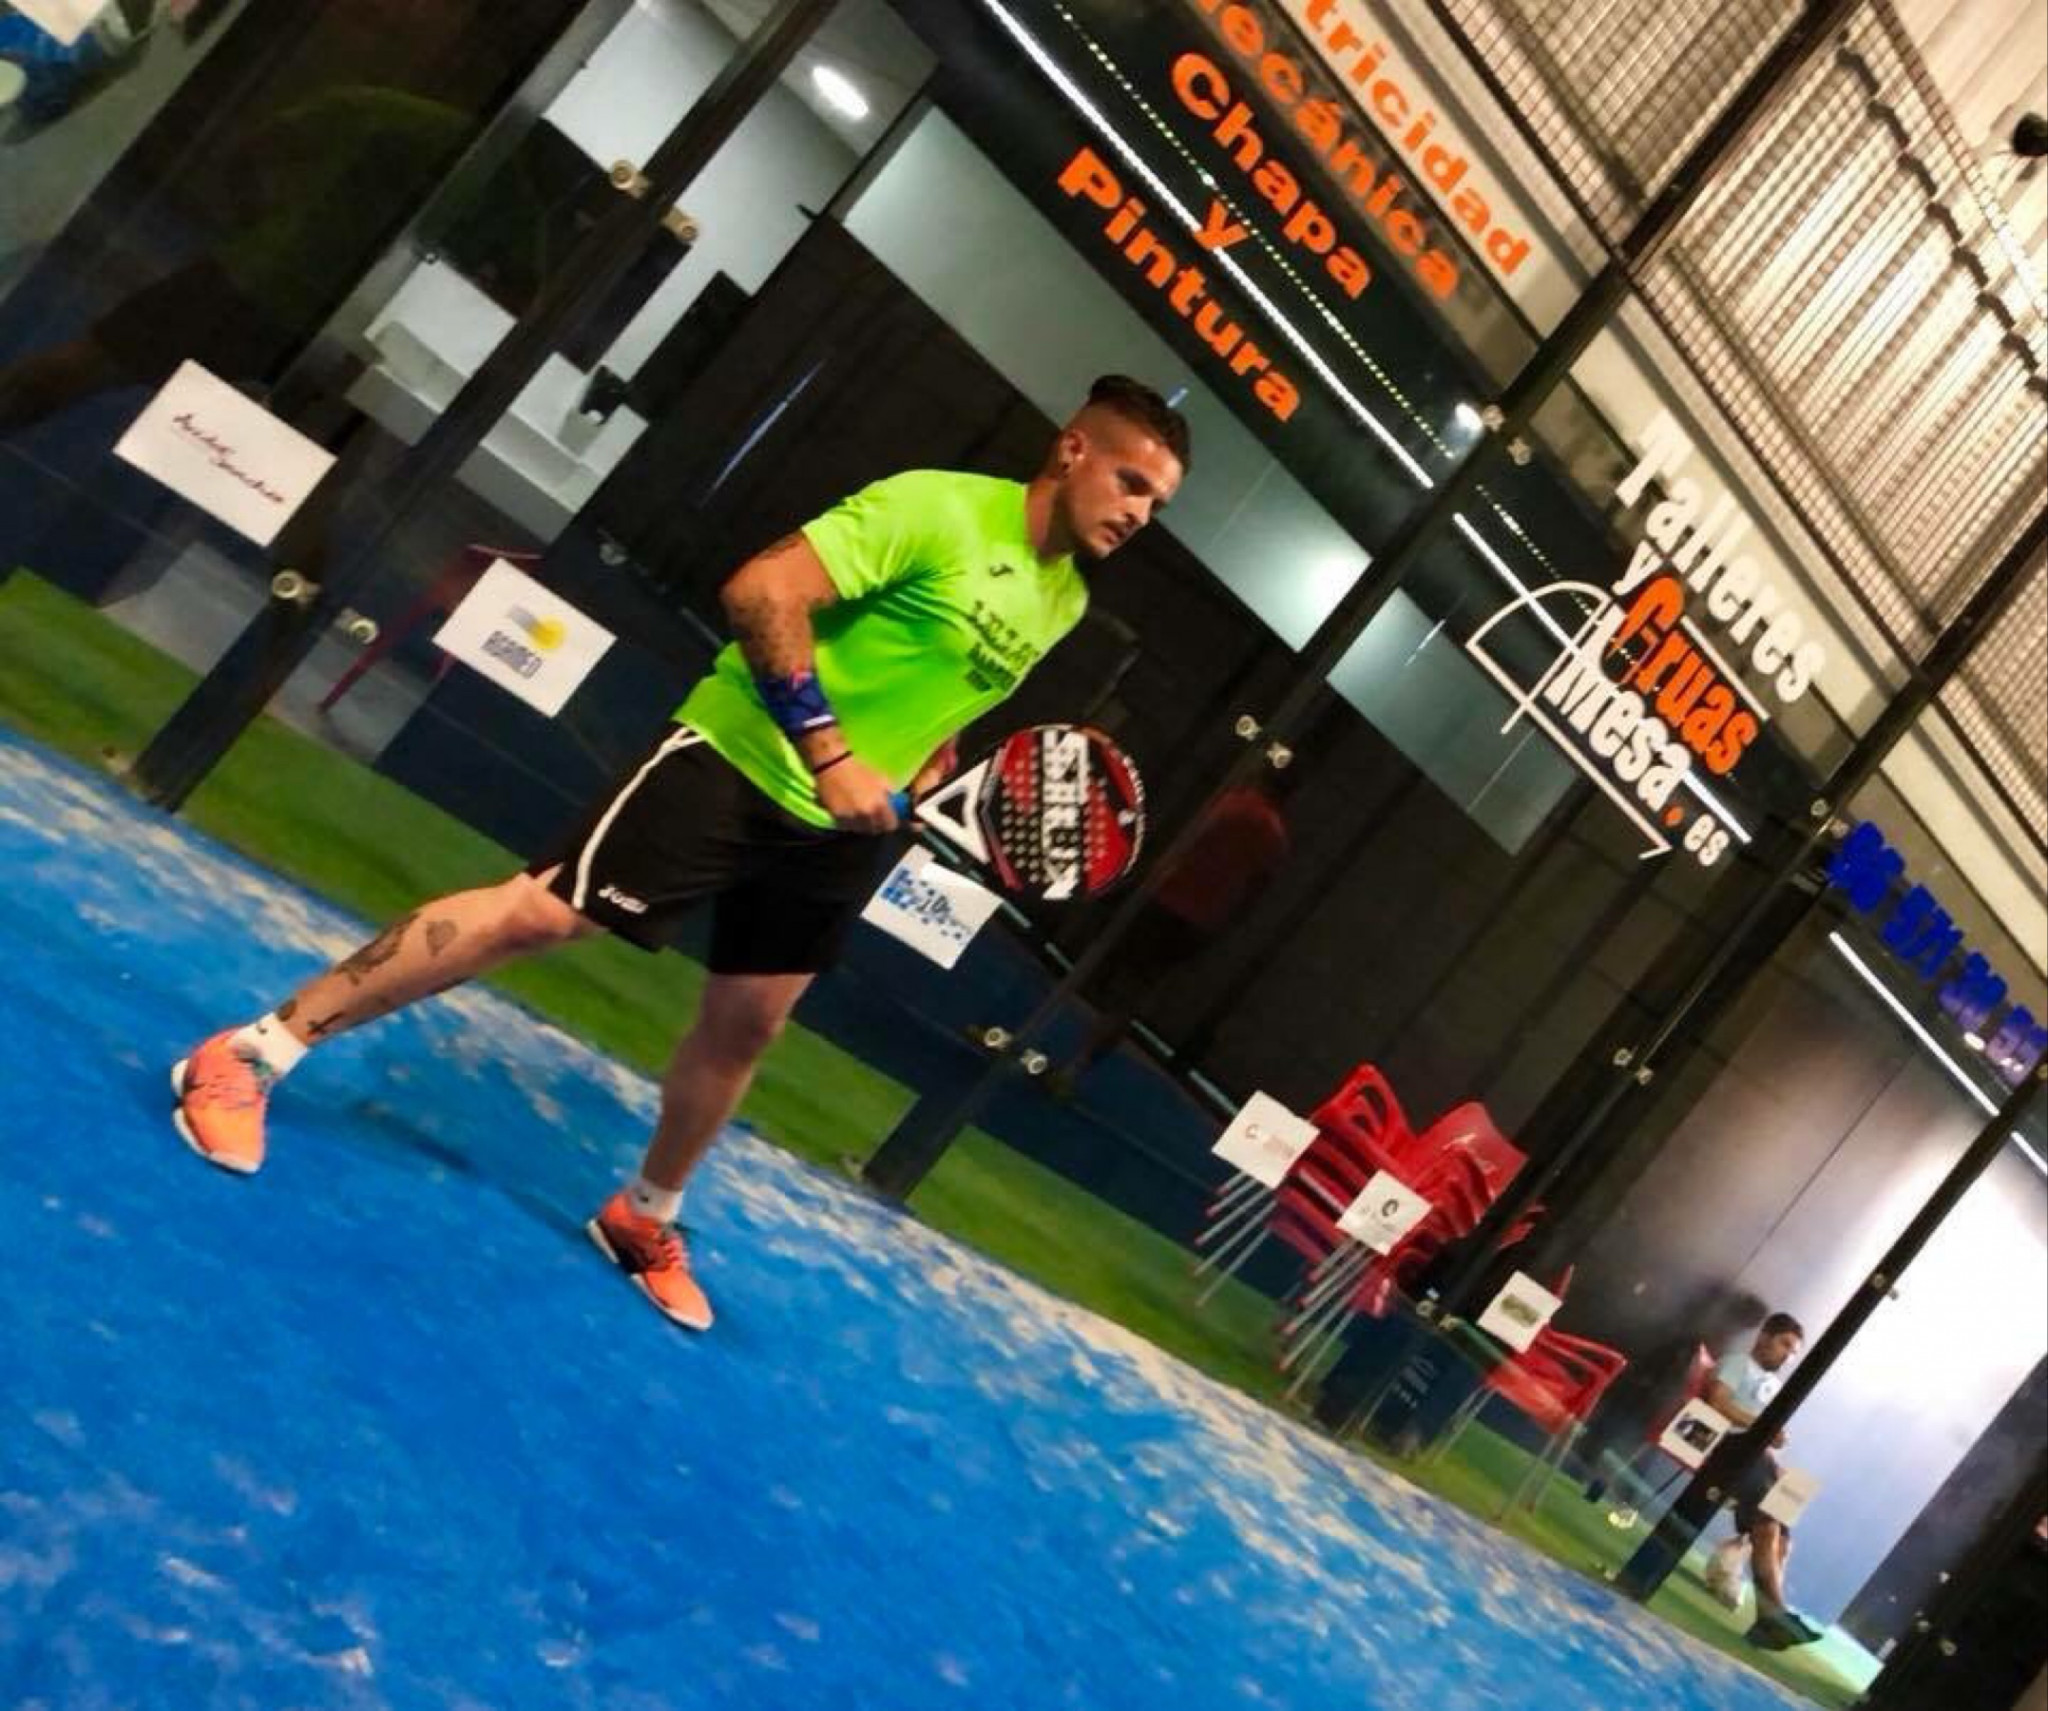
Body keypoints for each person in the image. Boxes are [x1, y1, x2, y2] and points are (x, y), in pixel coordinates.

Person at [169, 375, 1191, 1332]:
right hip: (736, 761)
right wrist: (831, 755)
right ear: (1071, 450)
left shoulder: (1063, 600)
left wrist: (927, 757)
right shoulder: (936, 507)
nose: (1140, 512)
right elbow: (761, 591)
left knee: (747, 1024)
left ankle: (644, 1213)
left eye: (1157, 502)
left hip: (838, 832)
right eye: (1130, 481)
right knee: (538, 914)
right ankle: (250, 1053)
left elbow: (946, 691)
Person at [1046, 772, 1290, 1097]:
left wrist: (1143, 878)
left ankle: (1040, 1034)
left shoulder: (1232, 803)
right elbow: (1251, 897)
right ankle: (1075, 1067)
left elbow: (1185, 843)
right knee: (1134, 996)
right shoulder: (1275, 838)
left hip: (1161, 898)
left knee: (1097, 962)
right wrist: (1220, 928)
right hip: (1195, 921)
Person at [1698, 1310, 1825, 1649]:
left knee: (1783, 1536)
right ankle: (1775, 1617)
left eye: (1792, 1352)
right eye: (1784, 1344)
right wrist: (1764, 1430)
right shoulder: (1738, 1363)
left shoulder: (1776, 1387)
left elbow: (1760, 1432)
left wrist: (1774, 1453)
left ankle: (1768, 1620)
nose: (1787, 1356)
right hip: (1727, 1448)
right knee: (1767, 1523)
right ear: (1764, 1336)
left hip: (1755, 1456)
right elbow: (1718, 1402)